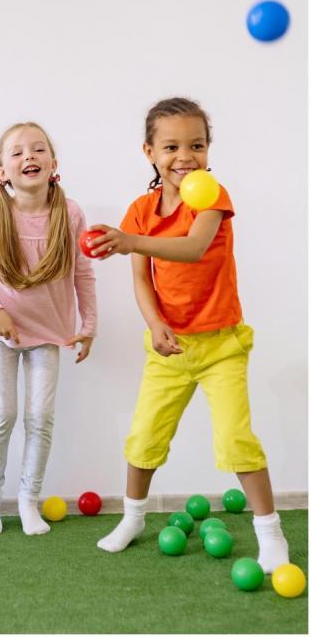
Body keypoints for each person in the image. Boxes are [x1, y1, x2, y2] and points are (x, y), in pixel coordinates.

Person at [87, 97, 289, 572]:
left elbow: (194, 249)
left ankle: (270, 530)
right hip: (170, 346)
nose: (185, 156)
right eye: (172, 146)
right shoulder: (141, 209)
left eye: (196, 145)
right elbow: (141, 279)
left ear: (208, 150)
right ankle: (133, 517)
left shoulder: (212, 196)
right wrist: (155, 325)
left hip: (222, 345)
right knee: (143, 437)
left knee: (237, 439)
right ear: (149, 152)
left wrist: (129, 240)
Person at [0, 121, 97, 535]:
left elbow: (84, 273)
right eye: (17, 153)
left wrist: (88, 325)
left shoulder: (70, 213)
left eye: (38, 150)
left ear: (54, 163)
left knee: (40, 417)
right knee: (2, 414)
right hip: (2, 333)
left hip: (48, 333)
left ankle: (27, 500)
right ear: (1, 172)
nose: (29, 157)